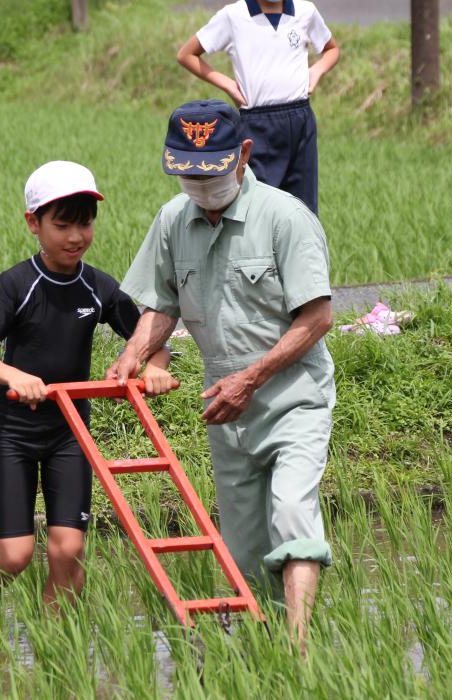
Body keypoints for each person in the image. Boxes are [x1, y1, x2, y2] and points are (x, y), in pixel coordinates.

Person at [110, 100, 335, 651]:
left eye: (212, 170)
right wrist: (135, 352)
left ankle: (299, 648)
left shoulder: (286, 219)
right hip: (227, 415)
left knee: (290, 511)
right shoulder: (171, 221)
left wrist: (250, 380)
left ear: (244, 156)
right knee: (243, 553)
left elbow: (318, 317)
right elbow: (162, 303)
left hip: (293, 401)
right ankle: (259, 654)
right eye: (190, 172)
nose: (201, 184)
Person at [0, 161, 177, 610]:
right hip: (16, 432)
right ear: (33, 224)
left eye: (84, 223)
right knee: (15, 554)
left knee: (67, 549)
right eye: (62, 225)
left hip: (70, 432)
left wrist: (155, 366)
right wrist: (16, 376)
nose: (75, 236)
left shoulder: (97, 286)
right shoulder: (16, 284)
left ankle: (57, 645)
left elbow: (149, 338)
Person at [177, 0, 338, 213]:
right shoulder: (233, 16)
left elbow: (331, 49)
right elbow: (186, 54)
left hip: (301, 120)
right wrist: (229, 86)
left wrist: (316, 72)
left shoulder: (305, 11)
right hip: (257, 125)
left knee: (304, 208)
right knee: (258, 208)